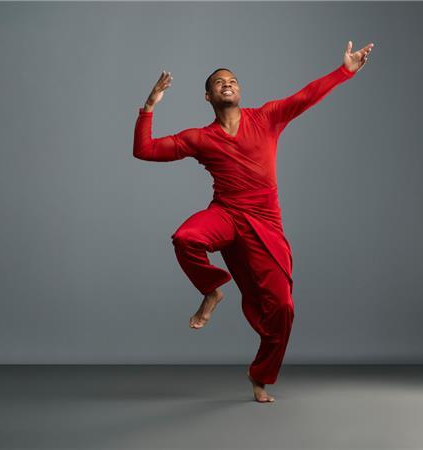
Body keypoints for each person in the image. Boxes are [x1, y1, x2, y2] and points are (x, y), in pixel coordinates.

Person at [133, 41, 374, 403]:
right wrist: (149, 107)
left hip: (265, 224)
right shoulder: (200, 138)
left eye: (232, 80)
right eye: (218, 82)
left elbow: (306, 96)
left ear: (240, 90)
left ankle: (260, 375)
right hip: (226, 214)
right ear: (208, 96)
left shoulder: (267, 117)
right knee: (185, 238)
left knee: (282, 309)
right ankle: (212, 290)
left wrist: (345, 71)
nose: (226, 83)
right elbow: (145, 150)